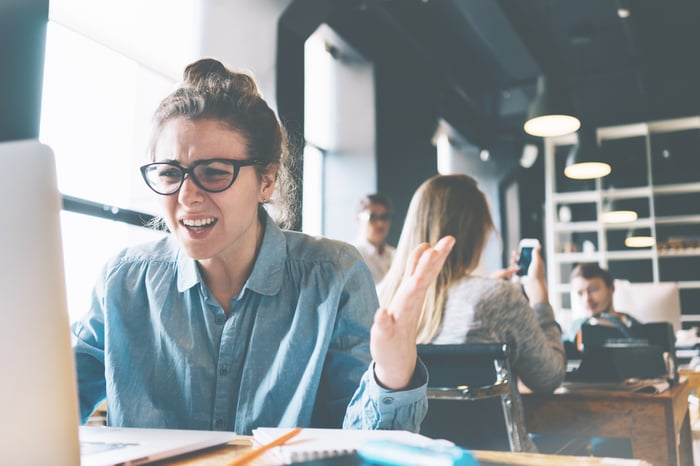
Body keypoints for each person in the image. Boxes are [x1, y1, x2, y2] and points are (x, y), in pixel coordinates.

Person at [71, 58, 455, 435]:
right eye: (170, 173)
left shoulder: (333, 276)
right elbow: (47, 404)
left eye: (215, 173)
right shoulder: (124, 281)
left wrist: (392, 374)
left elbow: (364, 449)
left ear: (266, 181)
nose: (187, 196)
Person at [378, 174, 566, 394]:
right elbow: (548, 377)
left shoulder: (380, 299)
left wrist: (486, 289)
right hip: (485, 429)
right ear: (477, 233)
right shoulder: (498, 297)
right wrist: (540, 299)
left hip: (404, 429)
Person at [564, 263, 643, 346]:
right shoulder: (574, 329)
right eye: (580, 293)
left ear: (611, 288)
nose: (587, 299)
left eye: (593, 289)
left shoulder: (634, 326)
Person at [352, 193, 395, 284]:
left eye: (384, 217)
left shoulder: (394, 254)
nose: (380, 224)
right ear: (358, 220)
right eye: (373, 217)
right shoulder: (352, 255)